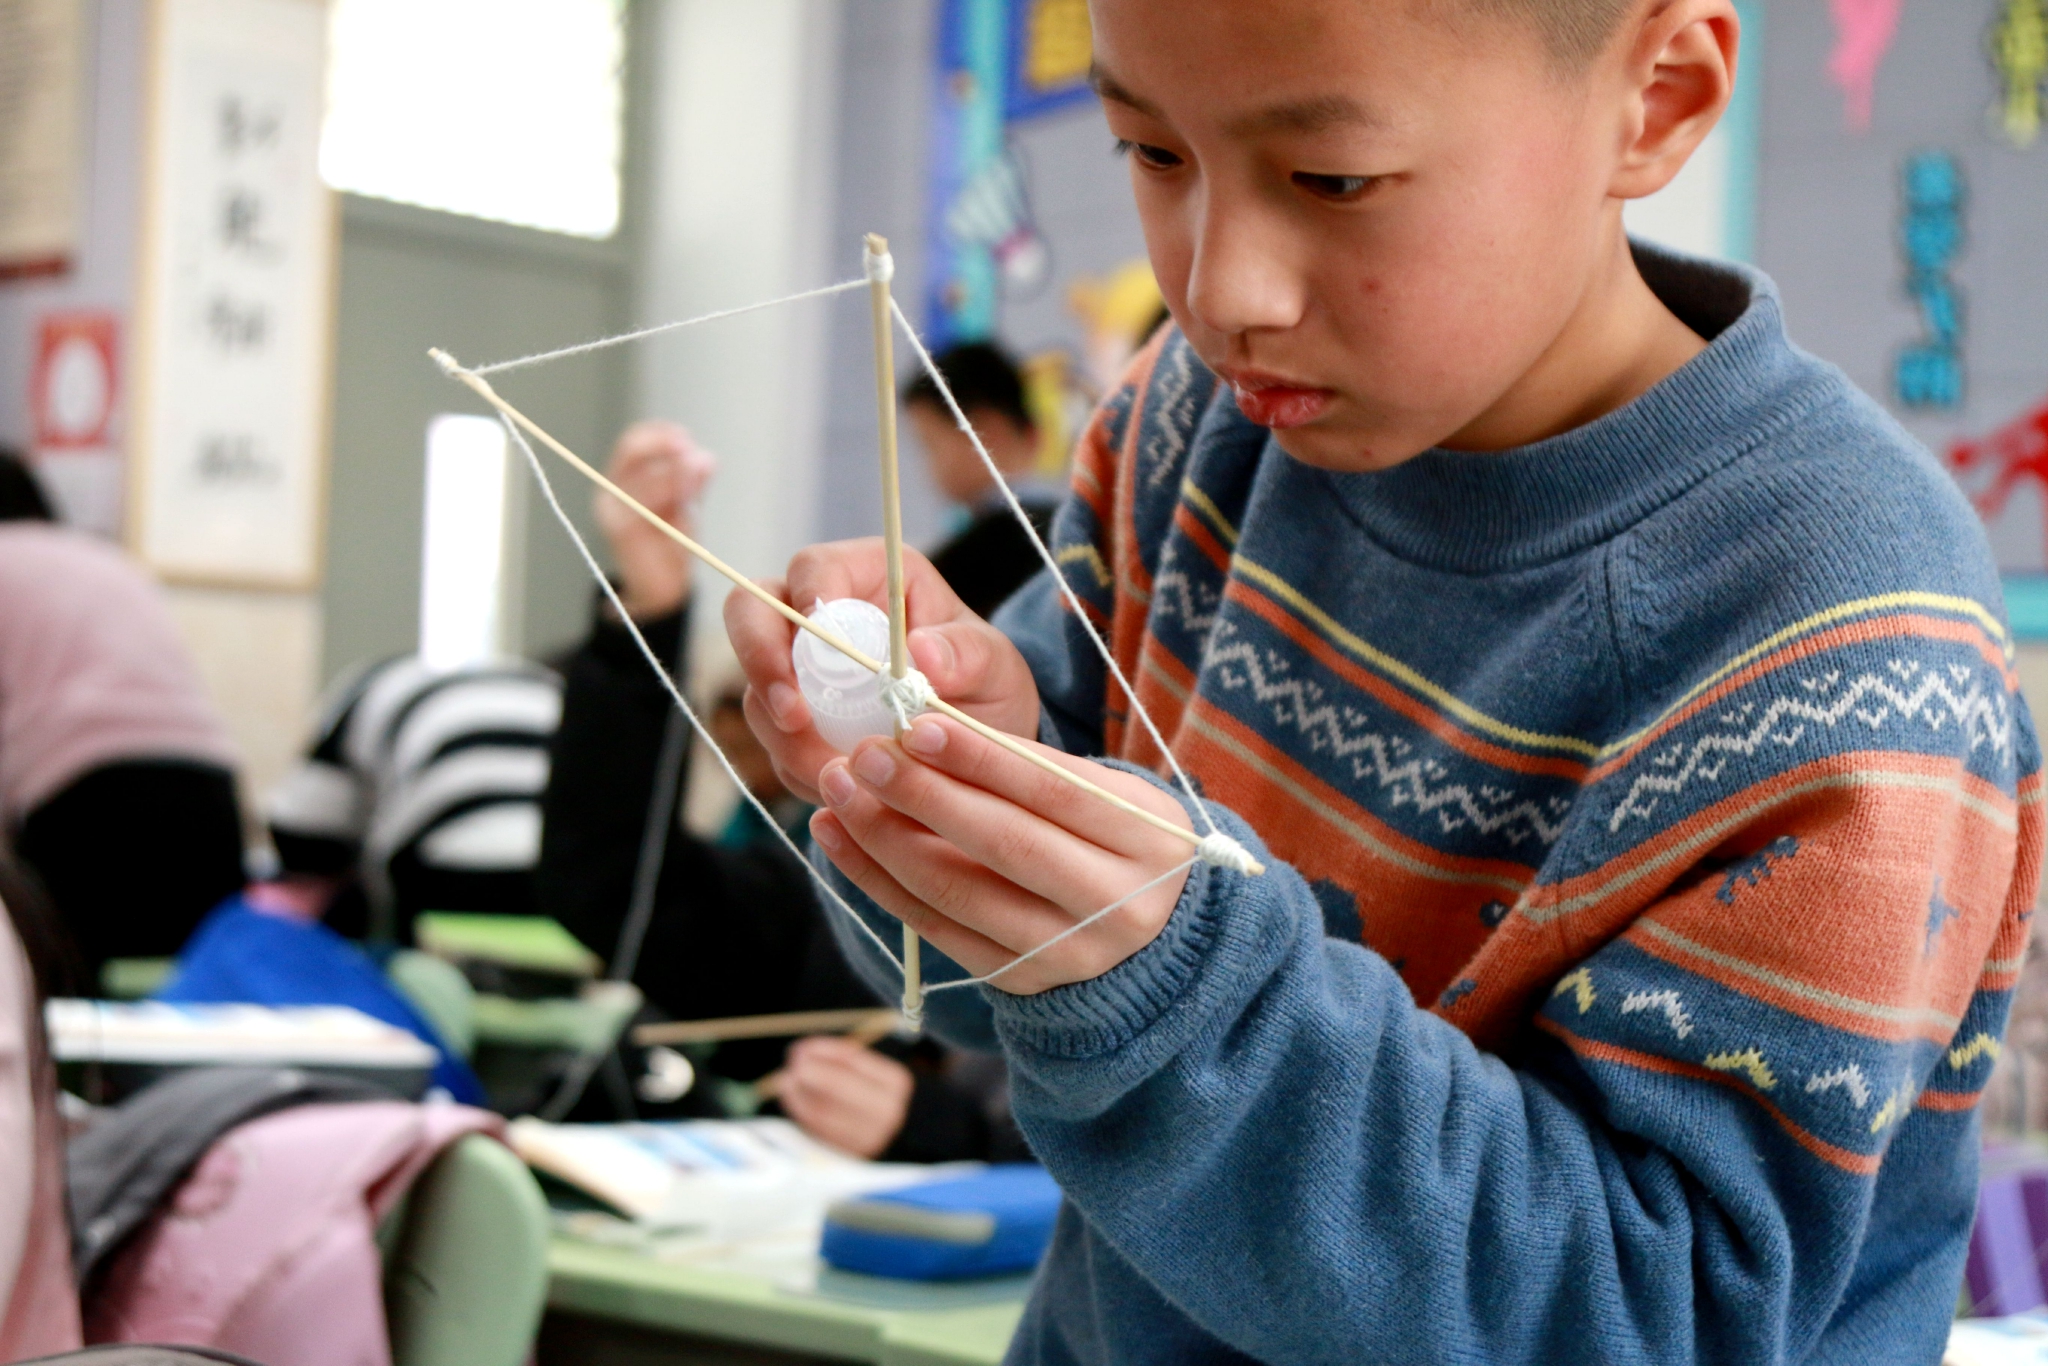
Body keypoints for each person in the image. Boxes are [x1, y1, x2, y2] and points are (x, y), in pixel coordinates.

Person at [726, 2, 2041, 1362]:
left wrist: (1182, 1000)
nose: (1221, 286)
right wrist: (940, 785)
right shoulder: (1196, 427)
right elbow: (959, 995)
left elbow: (1664, 1314)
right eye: (1151, 151)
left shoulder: (1842, 622)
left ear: (1653, 99)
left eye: (1331, 179)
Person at [539, 422, 1025, 1161]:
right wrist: (651, 607)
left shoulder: (1159, 915)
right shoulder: (853, 894)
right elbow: (623, 892)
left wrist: (957, 1135)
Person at [0, 449, 244, 984]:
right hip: (210, 798)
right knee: (190, 993)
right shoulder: (109, 561)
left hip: (87, 801)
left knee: (62, 992)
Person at [902, 343, 1062, 620]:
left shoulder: (993, 549)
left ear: (985, 432)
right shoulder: (1072, 526)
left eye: (930, 443)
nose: (928, 468)